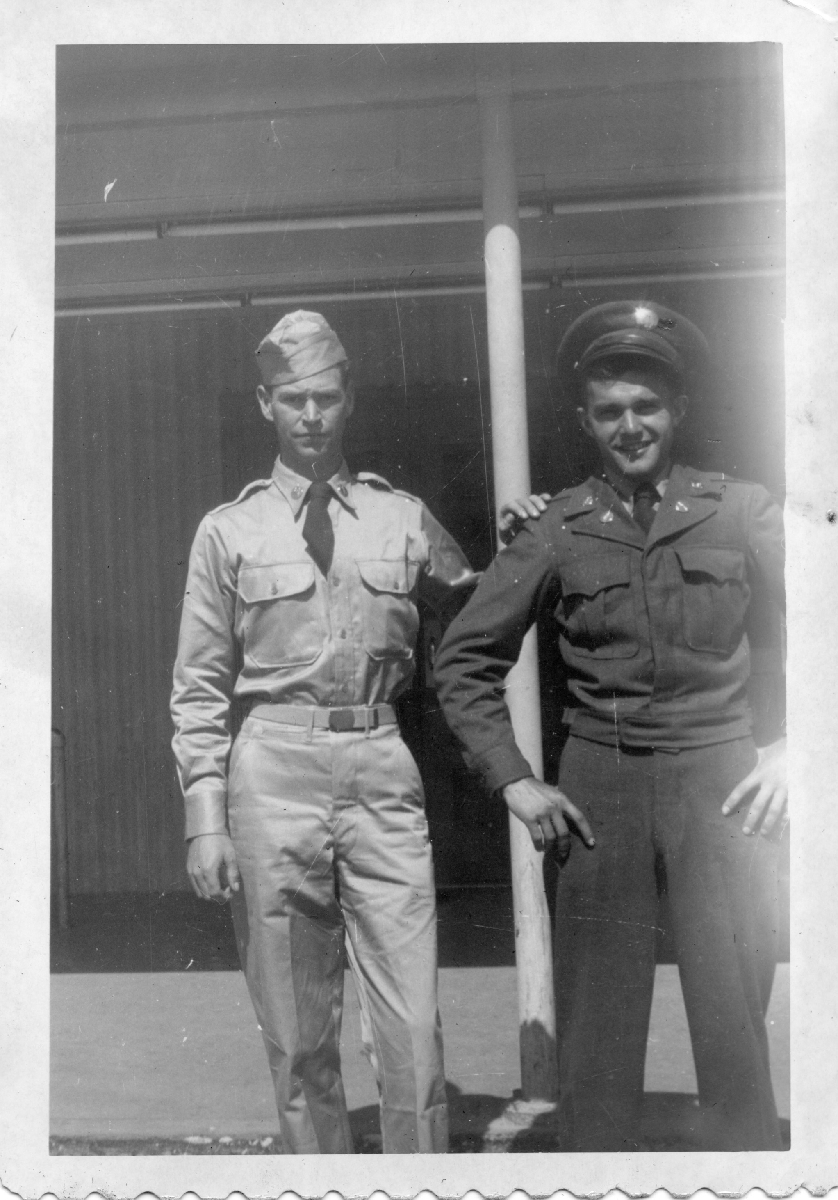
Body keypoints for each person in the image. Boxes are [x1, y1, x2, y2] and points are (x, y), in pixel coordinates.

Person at [433, 300, 787, 1152]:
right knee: (595, 1040)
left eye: (646, 407)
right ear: (587, 422)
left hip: (725, 788)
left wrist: (803, 748)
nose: (630, 428)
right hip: (602, 792)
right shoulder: (558, 527)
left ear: (679, 410)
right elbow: (463, 658)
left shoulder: (741, 511)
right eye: (609, 413)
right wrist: (514, 778)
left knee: (735, 1027)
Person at [170, 310, 482, 1154]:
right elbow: (198, 688)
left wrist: (531, 530)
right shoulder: (226, 533)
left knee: (414, 1025)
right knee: (300, 1032)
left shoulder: (403, 518)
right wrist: (206, 822)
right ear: (265, 404)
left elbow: (482, 606)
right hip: (271, 772)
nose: (311, 415)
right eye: (293, 399)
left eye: (327, 398)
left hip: (381, 763)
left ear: (350, 403)